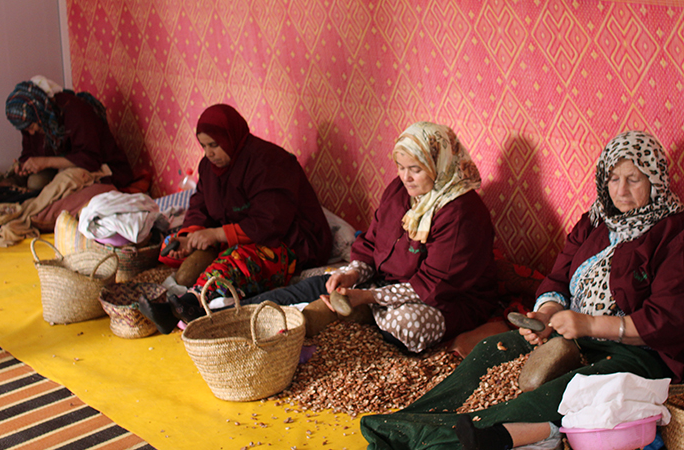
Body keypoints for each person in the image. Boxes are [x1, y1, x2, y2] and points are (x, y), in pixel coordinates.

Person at [359, 130, 684, 449]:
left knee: (568, 389)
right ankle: (407, 420)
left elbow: (668, 319)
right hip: (572, 336)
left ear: (655, 180)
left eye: (634, 179)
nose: (621, 190)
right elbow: (557, 278)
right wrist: (546, 313)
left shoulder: (673, 233)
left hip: (636, 352)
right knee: (491, 350)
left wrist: (588, 325)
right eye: (613, 178)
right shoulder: (595, 221)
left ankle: (449, 438)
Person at [244, 121, 498, 353]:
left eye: (415, 169)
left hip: (447, 301)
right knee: (318, 285)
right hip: (382, 283)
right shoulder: (399, 191)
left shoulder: (461, 213)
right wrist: (352, 274)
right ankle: (238, 312)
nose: (405, 177)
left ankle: (363, 312)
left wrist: (368, 297)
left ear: (439, 165)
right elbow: (371, 242)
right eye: (400, 167)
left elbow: (434, 285)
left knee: (406, 324)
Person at [145, 103, 333, 333]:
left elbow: (271, 221)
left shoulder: (269, 162)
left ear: (232, 136)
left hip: (291, 242)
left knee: (239, 260)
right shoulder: (209, 167)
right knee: (173, 245)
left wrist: (216, 234)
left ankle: (193, 303)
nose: (209, 153)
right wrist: (189, 236)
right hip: (241, 236)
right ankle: (184, 303)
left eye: (214, 145)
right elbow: (200, 204)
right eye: (204, 146)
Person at [4, 77, 134, 190]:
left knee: (62, 184)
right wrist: (24, 165)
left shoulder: (76, 112)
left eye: (32, 127)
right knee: (33, 182)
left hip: (101, 167)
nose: (31, 133)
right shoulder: (32, 120)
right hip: (61, 168)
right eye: (26, 130)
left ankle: (32, 212)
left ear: (40, 113)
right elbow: (29, 152)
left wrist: (46, 162)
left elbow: (90, 159)